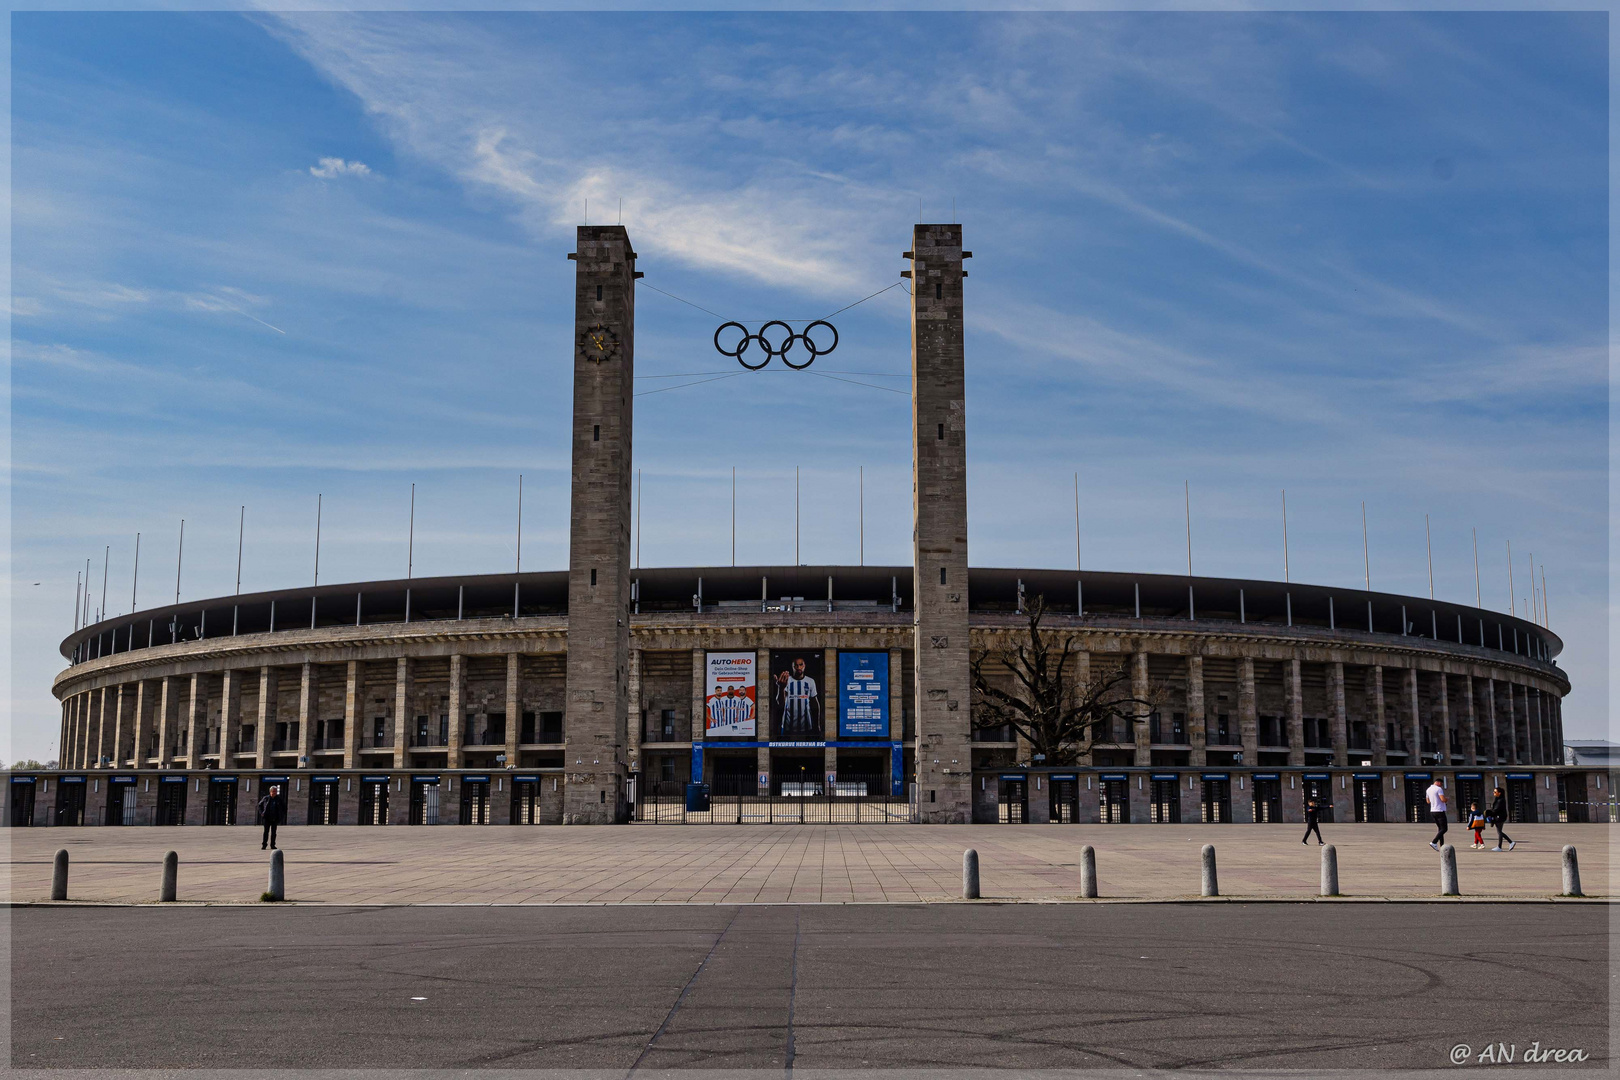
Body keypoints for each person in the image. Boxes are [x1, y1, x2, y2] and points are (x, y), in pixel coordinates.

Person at [774, 656, 820, 738]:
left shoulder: (810, 681)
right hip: (788, 727)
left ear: (804, 666)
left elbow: (815, 704)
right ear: (792, 667)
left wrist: (817, 725)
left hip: (807, 727)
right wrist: (781, 688)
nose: (798, 667)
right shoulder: (787, 680)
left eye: (801, 665)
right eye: (796, 665)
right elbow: (780, 703)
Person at [1488, 786, 1516, 851]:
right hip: (1499, 817)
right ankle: (1510, 842)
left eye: (1495, 792)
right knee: (1499, 831)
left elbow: (1496, 809)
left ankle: (1500, 847)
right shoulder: (1498, 799)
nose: (1493, 793)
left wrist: (1490, 813)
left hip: (1500, 817)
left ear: (1499, 793)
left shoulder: (1501, 800)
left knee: (1499, 831)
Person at [257, 784, 284, 850]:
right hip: (267, 817)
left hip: (275, 817)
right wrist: (262, 813)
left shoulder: (279, 799)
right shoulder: (266, 798)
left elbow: (283, 807)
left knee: (274, 832)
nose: (274, 793)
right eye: (273, 791)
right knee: (266, 832)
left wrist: (281, 814)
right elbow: (259, 805)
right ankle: (264, 845)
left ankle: (272, 845)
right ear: (270, 792)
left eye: (275, 791)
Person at [1425, 777, 1448, 850]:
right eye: (1441, 784)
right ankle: (1434, 842)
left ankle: (1442, 845)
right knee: (1444, 829)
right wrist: (1447, 799)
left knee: (1440, 828)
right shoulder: (1438, 789)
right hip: (1439, 810)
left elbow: (1428, 801)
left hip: (1433, 810)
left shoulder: (1428, 789)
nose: (1441, 786)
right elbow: (1443, 799)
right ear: (1438, 782)